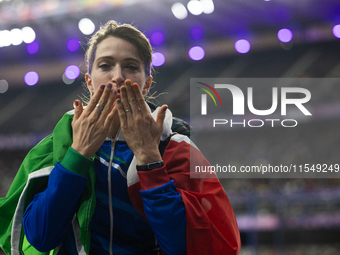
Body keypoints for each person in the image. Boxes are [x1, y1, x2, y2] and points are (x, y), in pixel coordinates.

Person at [0, 20, 241, 255]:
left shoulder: (176, 147)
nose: (117, 76)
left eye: (131, 66)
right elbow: (41, 239)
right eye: (105, 65)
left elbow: (181, 247)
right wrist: (77, 156)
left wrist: (149, 159)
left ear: (146, 84)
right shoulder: (55, 146)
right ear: (89, 81)